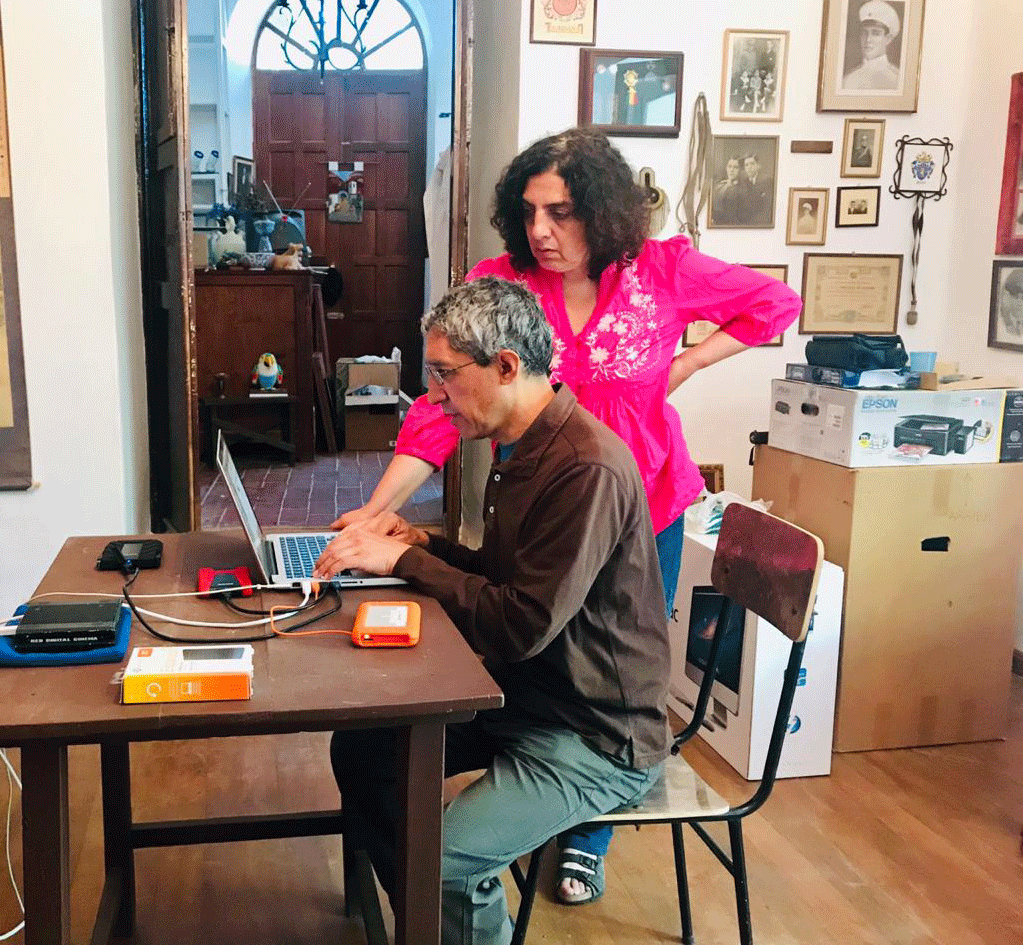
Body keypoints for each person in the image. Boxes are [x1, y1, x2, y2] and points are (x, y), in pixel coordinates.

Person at [331, 125, 802, 906]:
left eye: (561, 212)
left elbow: (775, 304)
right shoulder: (505, 291)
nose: (541, 230)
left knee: (605, 657)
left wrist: (681, 364)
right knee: (551, 645)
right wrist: (380, 518)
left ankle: (575, 834)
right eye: (528, 212)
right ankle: (429, 886)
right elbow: (440, 413)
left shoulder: (659, 272)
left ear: (603, 210)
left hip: (640, 495)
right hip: (546, 499)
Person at [317, 276, 671, 945]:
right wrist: (424, 544)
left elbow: (519, 626)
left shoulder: (584, 467)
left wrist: (406, 561)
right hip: (533, 697)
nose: (434, 396)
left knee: (445, 861)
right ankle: (424, 919)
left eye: (445, 374)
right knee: (363, 750)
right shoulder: (525, 449)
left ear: (506, 366)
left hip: (596, 733)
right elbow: (506, 578)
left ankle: (433, 899)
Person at [842, 0, 902, 91]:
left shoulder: (898, 79)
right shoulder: (847, 80)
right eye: (864, 33)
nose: (868, 39)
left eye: (875, 33)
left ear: (888, 39)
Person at [737, 153, 772, 225]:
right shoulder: (743, 183)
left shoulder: (766, 181)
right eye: (746, 165)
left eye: (752, 164)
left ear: (758, 166)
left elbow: (767, 207)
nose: (749, 167)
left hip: (762, 222)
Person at [711, 155, 743, 225]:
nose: (732, 170)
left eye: (735, 167)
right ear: (726, 168)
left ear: (740, 170)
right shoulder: (719, 187)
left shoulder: (743, 189)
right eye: (729, 166)